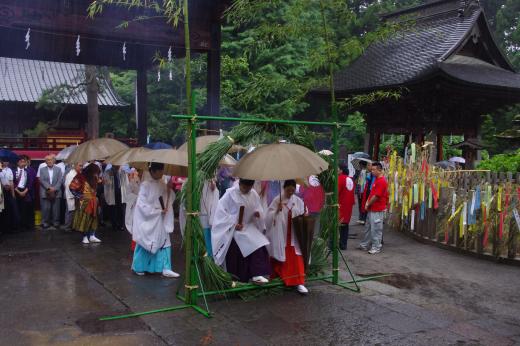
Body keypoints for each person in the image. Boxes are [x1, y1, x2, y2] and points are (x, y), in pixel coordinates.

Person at [212, 179, 271, 284]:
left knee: (259, 242)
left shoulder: (253, 194)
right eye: (244, 187)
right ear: (239, 184)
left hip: (249, 226)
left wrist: (257, 215)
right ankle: (239, 278)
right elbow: (220, 213)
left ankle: (256, 274)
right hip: (233, 229)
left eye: (249, 188)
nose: (246, 190)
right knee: (242, 245)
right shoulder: (230, 194)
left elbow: (258, 209)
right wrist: (234, 223)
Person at [131, 163, 179, 278]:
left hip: (160, 219)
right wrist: (156, 211)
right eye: (159, 171)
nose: (162, 173)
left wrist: (169, 190)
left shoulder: (163, 184)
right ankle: (139, 267)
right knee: (145, 243)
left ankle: (165, 267)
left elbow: (169, 198)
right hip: (149, 219)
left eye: (162, 171)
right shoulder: (145, 185)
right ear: (152, 172)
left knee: (165, 242)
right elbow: (141, 205)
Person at [265, 180, 308, 294]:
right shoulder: (276, 200)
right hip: (281, 233)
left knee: (296, 258)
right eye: (288, 190)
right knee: (279, 254)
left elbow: (304, 212)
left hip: (294, 234)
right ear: (284, 188)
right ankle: (279, 277)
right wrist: (276, 211)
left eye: (292, 190)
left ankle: (299, 282)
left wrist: (304, 214)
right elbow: (268, 217)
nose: (290, 192)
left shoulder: (298, 201)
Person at [358, 162, 389, 254]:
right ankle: (365, 244)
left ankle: (376, 247)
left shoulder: (381, 181)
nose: (372, 171)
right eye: (371, 169)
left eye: (373, 169)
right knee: (368, 227)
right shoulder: (377, 179)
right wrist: (367, 203)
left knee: (376, 229)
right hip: (372, 208)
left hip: (377, 208)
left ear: (379, 170)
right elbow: (372, 194)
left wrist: (367, 204)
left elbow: (376, 196)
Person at [70, 163, 102, 244]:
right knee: (85, 219)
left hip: (94, 201)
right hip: (84, 202)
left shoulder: (95, 177)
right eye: (95, 172)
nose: (96, 174)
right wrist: (79, 196)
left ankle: (92, 235)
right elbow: (72, 187)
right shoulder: (80, 177)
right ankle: (84, 236)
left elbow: (99, 184)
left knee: (94, 219)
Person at [39, 154, 63, 230]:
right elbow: (42, 180)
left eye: (51, 159)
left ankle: (56, 223)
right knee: (46, 208)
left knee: (56, 209)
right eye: (47, 160)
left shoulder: (58, 169)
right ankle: (45, 223)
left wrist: (54, 188)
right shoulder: (42, 169)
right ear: (45, 162)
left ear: (54, 160)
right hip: (45, 191)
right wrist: (49, 188)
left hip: (56, 191)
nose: (49, 161)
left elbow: (60, 180)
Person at [13, 156, 35, 231]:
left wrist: (25, 191)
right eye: (21, 161)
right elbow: (12, 182)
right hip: (16, 191)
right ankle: (17, 226)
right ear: (17, 163)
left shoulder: (28, 171)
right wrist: (18, 192)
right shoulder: (13, 171)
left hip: (26, 191)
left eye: (24, 161)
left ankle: (26, 225)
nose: (22, 163)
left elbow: (30, 182)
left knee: (25, 209)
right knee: (16, 209)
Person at [338, 163, 355, 250]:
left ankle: (334, 244)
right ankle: (343, 244)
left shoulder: (340, 178)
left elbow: (336, 192)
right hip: (349, 205)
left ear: (341, 170)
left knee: (337, 225)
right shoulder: (350, 179)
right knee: (345, 225)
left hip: (340, 205)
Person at [63, 162, 83, 232]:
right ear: (75, 166)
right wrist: (76, 195)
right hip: (71, 195)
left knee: (75, 212)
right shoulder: (70, 174)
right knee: (70, 212)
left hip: (76, 195)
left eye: (82, 166)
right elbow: (68, 186)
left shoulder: (78, 173)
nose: (81, 167)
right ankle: (67, 227)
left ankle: (74, 226)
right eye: (80, 166)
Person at [0, 159, 15, 231]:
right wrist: (3, 186)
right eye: (4, 161)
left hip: (8, 191)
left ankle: (8, 227)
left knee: (8, 209)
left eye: (7, 161)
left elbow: (11, 181)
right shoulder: (0, 170)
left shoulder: (9, 170)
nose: (6, 162)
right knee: (1, 211)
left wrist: (13, 194)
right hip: (1, 191)